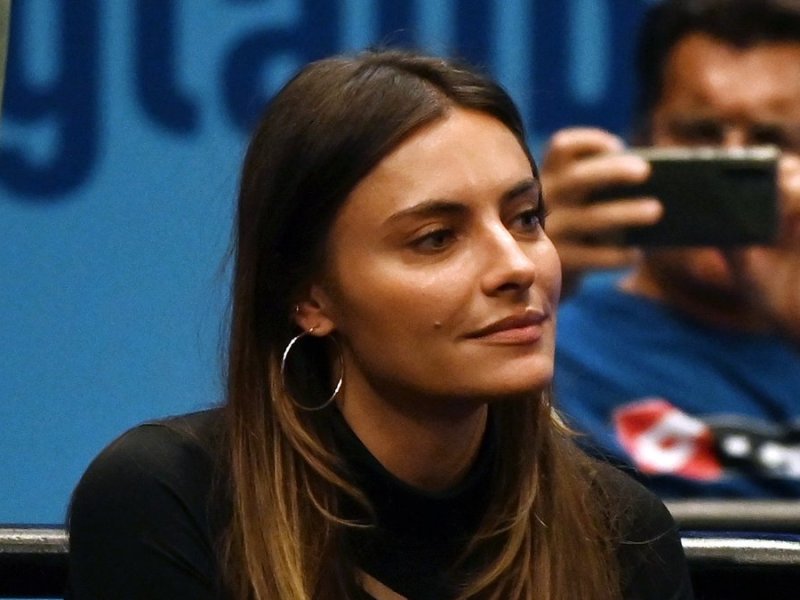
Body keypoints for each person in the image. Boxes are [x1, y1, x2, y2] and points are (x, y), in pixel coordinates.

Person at [66, 50, 693, 599]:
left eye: (526, 218)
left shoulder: (618, 531)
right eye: (437, 238)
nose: (515, 266)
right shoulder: (168, 502)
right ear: (309, 299)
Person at [543, 0, 800, 498]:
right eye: (700, 134)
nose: (729, 165)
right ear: (641, 140)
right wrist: (523, 276)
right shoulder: (546, 346)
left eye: (770, 142)